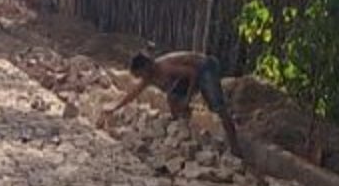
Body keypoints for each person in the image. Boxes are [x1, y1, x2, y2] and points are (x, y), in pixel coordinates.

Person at [102, 49, 242, 155]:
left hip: (204, 67)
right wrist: (115, 107)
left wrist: (187, 99)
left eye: (140, 74)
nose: (141, 78)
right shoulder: (150, 76)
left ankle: (235, 146)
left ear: (147, 67)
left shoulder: (165, 67)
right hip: (190, 74)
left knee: (217, 107)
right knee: (172, 98)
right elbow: (133, 93)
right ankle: (184, 132)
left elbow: (192, 73)